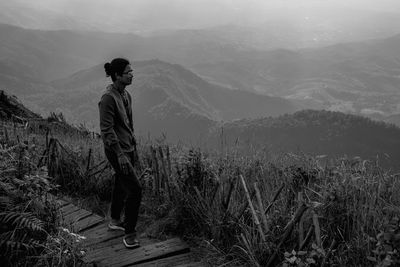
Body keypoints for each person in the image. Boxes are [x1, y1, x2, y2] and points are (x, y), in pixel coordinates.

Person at [99, 58, 142, 249]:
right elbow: (107, 130)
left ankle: (115, 220)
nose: (132, 74)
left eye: (132, 71)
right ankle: (129, 234)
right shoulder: (108, 98)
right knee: (135, 190)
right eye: (128, 72)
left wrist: (134, 148)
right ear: (117, 75)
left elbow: (129, 126)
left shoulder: (126, 95)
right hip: (117, 151)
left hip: (128, 148)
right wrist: (121, 154)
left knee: (121, 183)